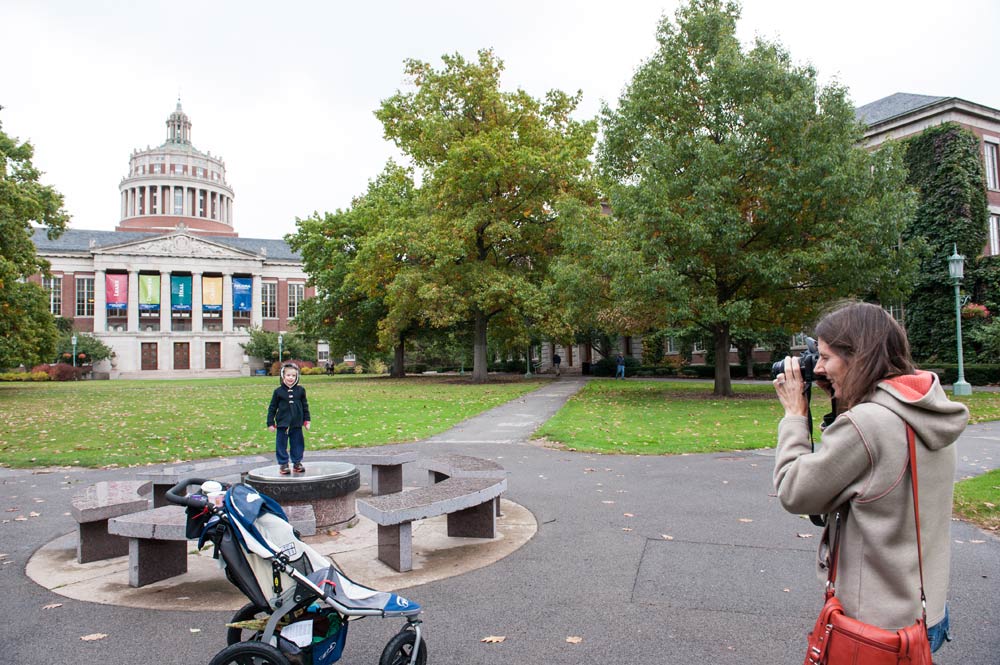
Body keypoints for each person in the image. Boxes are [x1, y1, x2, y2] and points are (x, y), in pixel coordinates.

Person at [772, 302, 967, 654]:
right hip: (926, 611)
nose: (817, 367)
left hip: (875, 627)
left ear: (859, 357)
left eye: (826, 357)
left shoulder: (867, 424)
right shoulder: (924, 408)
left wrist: (794, 416)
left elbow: (794, 491)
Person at [267, 362, 311, 475]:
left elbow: (305, 406)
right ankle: (283, 463)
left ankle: (297, 462)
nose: (291, 378)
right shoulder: (278, 392)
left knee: (297, 443)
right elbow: (272, 408)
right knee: (281, 444)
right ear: (283, 376)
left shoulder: (301, 390)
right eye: (288, 375)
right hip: (282, 424)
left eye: (293, 376)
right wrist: (270, 423)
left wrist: (307, 420)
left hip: (296, 423)